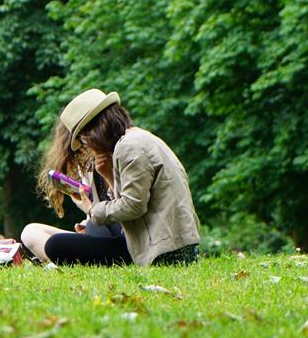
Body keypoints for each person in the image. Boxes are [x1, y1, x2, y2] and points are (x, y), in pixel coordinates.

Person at [21, 89, 200, 266]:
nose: (87, 146)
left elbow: (133, 206)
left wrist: (91, 210)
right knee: (51, 232)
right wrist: (107, 174)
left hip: (164, 252)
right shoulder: (137, 138)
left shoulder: (129, 147)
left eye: (84, 139)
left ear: (95, 129)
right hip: (166, 245)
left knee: (56, 245)